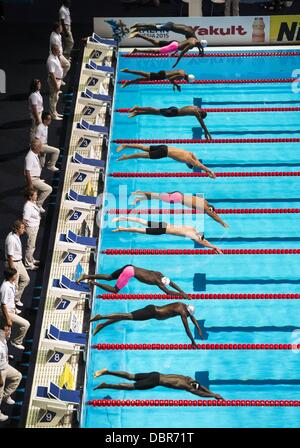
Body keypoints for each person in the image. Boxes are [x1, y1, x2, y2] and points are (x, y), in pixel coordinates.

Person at [90, 302, 203, 343]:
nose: (188, 316)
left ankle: (102, 325)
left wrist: (198, 328)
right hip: (152, 313)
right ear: (187, 312)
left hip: (152, 309)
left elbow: (193, 318)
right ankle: (101, 317)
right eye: (188, 315)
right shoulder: (182, 312)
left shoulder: (183, 305)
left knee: (126, 317)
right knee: (126, 316)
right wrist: (192, 341)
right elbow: (187, 329)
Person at [93, 368, 224, 400]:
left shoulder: (187, 378)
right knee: (130, 387)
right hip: (155, 381)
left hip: (155, 374)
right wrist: (212, 396)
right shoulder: (187, 387)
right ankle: (106, 385)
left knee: (130, 376)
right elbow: (199, 392)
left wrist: (213, 393)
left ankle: (107, 372)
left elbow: (200, 387)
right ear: (191, 386)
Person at [112, 216, 223, 253]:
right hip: (162, 230)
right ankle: (122, 228)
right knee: (139, 230)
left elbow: (204, 240)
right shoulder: (191, 235)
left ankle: (121, 218)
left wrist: (213, 246)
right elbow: (203, 242)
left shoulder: (192, 229)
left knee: (142, 221)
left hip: (164, 224)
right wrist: (215, 247)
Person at [77, 265, 190, 299]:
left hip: (130, 266)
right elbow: (169, 292)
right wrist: (183, 295)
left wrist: (183, 291)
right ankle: (94, 283)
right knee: (115, 290)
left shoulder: (159, 274)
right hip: (129, 273)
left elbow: (172, 283)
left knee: (109, 277)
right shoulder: (159, 283)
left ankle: (86, 276)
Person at [131, 190, 229, 228]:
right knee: (157, 196)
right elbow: (213, 215)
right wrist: (222, 222)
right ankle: (140, 193)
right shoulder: (205, 207)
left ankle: (140, 197)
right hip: (177, 198)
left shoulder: (205, 201)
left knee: (158, 196)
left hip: (179, 193)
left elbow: (212, 211)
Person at [116, 143, 215, 176]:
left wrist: (196, 160)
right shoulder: (191, 161)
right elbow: (201, 166)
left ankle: (125, 145)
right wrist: (210, 172)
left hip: (165, 147)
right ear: (189, 164)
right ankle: (126, 157)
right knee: (143, 155)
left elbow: (193, 154)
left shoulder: (190, 155)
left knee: (144, 147)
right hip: (164, 153)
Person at [127, 105, 212, 140]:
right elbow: (201, 123)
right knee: (156, 111)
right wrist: (207, 133)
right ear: (201, 114)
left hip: (174, 109)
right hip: (173, 113)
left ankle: (138, 112)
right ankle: (137, 109)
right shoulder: (196, 112)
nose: (200, 117)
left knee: (156, 112)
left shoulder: (196, 107)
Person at [130, 34, 207, 68]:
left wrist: (201, 51)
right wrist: (176, 63)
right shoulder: (192, 45)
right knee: (155, 51)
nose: (200, 47)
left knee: (156, 42)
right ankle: (137, 50)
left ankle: (139, 35)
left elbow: (199, 46)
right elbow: (182, 52)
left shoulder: (194, 39)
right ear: (199, 44)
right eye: (200, 47)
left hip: (175, 42)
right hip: (173, 47)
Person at [0, 269, 30, 350]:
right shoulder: (5, 288)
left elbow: (12, 297)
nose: (17, 276)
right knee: (26, 324)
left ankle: (4, 351)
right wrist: (8, 318)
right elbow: (3, 305)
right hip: (7, 312)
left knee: (5, 333)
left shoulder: (12, 283)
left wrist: (15, 308)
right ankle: (17, 341)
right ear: (11, 276)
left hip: (12, 310)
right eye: (15, 275)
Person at [0, 322, 22, 422]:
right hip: (0, 371)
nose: (9, 332)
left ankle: (6, 396)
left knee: (17, 376)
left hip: (5, 366)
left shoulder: (3, 340)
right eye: (7, 330)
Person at [4, 221, 30, 308]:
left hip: (19, 262)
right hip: (13, 263)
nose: (24, 229)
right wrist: (13, 270)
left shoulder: (16, 235)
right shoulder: (11, 240)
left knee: (26, 279)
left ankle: (16, 299)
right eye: (22, 228)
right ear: (16, 229)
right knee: (13, 286)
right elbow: (9, 256)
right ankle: (11, 307)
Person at [24, 139, 53, 212]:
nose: (41, 148)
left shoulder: (34, 153)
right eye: (40, 147)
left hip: (36, 178)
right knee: (48, 189)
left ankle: (33, 210)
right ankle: (38, 205)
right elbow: (27, 172)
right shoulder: (29, 157)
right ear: (35, 148)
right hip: (33, 179)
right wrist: (30, 184)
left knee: (34, 196)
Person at [121, 68, 195, 92]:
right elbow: (170, 79)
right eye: (187, 81)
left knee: (144, 79)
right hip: (162, 76)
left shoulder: (182, 71)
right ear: (187, 79)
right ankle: (127, 71)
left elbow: (172, 75)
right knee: (144, 75)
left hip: (163, 72)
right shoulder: (181, 76)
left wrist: (174, 84)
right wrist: (177, 85)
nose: (186, 81)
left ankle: (129, 82)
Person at [23, 189, 41, 270]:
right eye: (35, 195)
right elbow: (24, 220)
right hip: (31, 228)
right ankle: (28, 264)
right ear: (30, 197)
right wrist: (27, 229)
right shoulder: (28, 207)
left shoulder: (32, 203)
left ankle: (31, 259)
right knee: (30, 246)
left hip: (35, 226)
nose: (37, 196)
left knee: (33, 245)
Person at [47, 44, 64, 120]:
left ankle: (55, 112)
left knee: (56, 97)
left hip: (58, 80)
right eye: (57, 50)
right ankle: (53, 115)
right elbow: (52, 74)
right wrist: (56, 85)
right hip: (54, 81)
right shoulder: (50, 60)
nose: (59, 51)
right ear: (53, 50)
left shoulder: (55, 56)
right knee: (53, 99)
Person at [130, 22, 197, 39]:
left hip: (170, 24)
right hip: (168, 27)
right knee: (154, 27)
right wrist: (201, 50)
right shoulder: (190, 33)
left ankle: (138, 27)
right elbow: (196, 40)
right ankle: (138, 25)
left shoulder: (190, 29)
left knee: (154, 27)